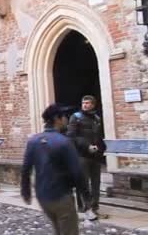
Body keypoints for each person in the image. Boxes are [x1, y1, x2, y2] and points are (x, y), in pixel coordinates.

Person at [22, 104, 89, 235]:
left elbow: (25, 169)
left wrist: (26, 192)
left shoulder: (33, 141)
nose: (66, 119)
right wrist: (86, 196)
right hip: (61, 196)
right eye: (64, 116)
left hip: (43, 197)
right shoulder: (64, 142)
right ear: (56, 119)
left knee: (58, 230)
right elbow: (77, 172)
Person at [66, 95, 107, 221]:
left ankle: (94, 207)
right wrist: (87, 146)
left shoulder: (96, 118)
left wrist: (102, 148)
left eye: (88, 103)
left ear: (93, 105)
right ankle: (86, 208)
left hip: (95, 155)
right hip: (82, 155)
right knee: (83, 183)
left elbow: (99, 136)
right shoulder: (76, 117)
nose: (85, 105)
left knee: (96, 183)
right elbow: (71, 136)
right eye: (84, 103)